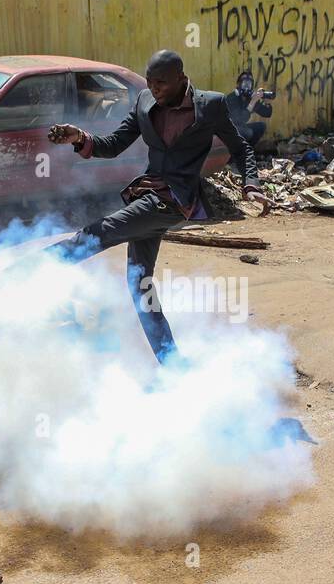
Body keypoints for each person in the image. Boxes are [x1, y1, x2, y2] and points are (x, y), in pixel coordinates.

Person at [34, 50, 268, 364]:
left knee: (97, 233)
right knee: (138, 284)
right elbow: (115, 144)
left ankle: (19, 274)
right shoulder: (145, 102)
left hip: (175, 201)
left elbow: (240, 147)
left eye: (161, 83)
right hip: (147, 194)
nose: (154, 89)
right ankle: (173, 364)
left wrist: (251, 184)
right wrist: (81, 137)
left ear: (181, 80)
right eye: (149, 82)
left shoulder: (210, 105)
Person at [225, 70, 273, 174]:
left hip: (241, 129)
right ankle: (234, 157)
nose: (247, 86)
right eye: (244, 83)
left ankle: (246, 154)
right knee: (247, 132)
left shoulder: (249, 98)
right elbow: (240, 118)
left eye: (249, 83)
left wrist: (266, 101)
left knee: (260, 126)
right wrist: (252, 102)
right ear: (238, 84)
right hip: (228, 131)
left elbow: (267, 113)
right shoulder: (232, 97)